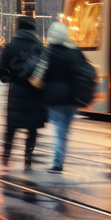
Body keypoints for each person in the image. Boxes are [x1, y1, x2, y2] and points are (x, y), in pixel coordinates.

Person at [28, 21, 83, 174]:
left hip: (55, 99)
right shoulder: (75, 50)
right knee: (65, 131)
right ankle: (60, 158)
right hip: (72, 98)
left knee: (59, 131)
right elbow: (84, 71)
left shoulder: (50, 52)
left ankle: (58, 163)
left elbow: (38, 76)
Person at [0, 17, 48, 169]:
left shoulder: (10, 46)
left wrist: (10, 79)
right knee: (32, 129)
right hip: (35, 95)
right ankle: (28, 156)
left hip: (16, 94)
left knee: (11, 128)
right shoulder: (39, 47)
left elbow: (1, 72)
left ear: (17, 28)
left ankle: (6, 155)